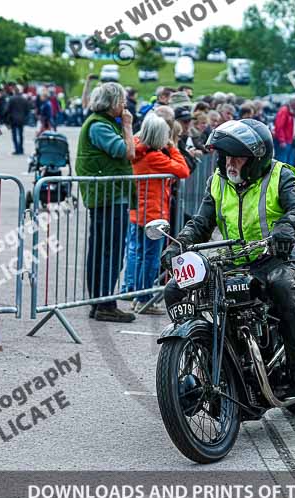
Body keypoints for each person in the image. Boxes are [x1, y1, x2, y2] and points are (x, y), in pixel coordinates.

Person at [161, 119, 295, 391]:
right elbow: (201, 222)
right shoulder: (217, 181)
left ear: (257, 158)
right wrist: (178, 244)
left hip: (275, 255)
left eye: (238, 158)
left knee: (282, 284)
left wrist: (285, 227)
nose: (230, 163)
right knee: (175, 288)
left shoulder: (281, 176)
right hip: (232, 258)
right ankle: (202, 350)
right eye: (226, 157)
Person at [75, 83, 137, 322]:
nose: (125, 106)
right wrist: (128, 126)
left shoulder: (100, 123)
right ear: (111, 103)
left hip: (107, 195)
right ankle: (104, 304)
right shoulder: (100, 125)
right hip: (108, 196)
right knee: (109, 251)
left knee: (103, 250)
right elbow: (127, 151)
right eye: (122, 101)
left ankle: (101, 302)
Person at [123, 112, 190, 314]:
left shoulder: (137, 150)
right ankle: (144, 298)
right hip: (153, 213)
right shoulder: (155, 157)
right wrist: (171, 147)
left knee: (140, 254)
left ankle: (137, 294)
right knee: (151, 258)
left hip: (138, 211)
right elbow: (183, 169)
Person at [273, 98, 295, 165]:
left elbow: (293, 126)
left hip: (290, 140)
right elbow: (279, 126)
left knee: (288, 161)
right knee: (282, 161)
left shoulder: (291, 112)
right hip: (285, 141)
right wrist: (282, 140)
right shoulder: (284, 111)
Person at [6, 85, 29, 155]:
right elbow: (27, 110)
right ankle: (21, 149)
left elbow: (8, 109)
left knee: (14, 135)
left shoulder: (11, 99)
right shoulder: (24, 99)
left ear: (14, 91)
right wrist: (24, 116)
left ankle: (16, 149)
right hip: (21, 119)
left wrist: (6, 117)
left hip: (13, 119)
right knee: (21, 134)